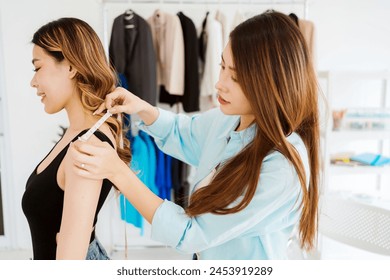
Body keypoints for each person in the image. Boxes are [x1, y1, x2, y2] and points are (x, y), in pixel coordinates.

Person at [69, 10, 320, 259]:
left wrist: (118, 173)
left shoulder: (282, 166)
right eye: (222, 66)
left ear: (272, 84)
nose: (219, 83)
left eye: (236, 77)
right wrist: (143, 108)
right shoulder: (228, 120)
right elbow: (183, 132)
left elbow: (192, 233)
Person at [21, 17, 131, 260]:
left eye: (37, 68)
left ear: (71, 67)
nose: (33, 81)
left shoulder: (88, 145)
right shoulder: (75, 135)